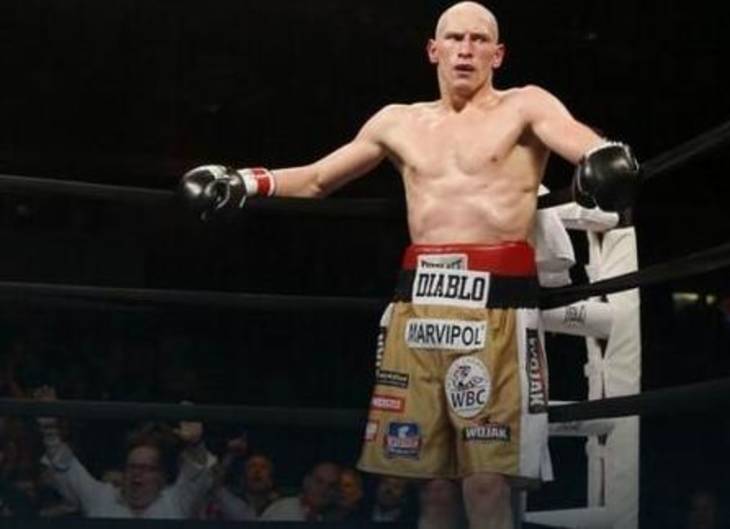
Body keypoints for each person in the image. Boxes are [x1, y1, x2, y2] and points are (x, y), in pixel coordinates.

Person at [180, 2, 638, 527]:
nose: (466, 49)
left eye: (478, 40)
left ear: (498, 54)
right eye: (455, 38)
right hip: (419, 309)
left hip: (497, 310)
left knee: (487, 483)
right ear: (433, 49)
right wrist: (243, 181)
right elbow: (318, 178)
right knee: (432, 488)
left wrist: (606, 158)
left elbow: (586, 144)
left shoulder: (526, 106)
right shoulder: (397, 121)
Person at [34, 386, 216, 519]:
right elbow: (65, 468)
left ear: (161, 476)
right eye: (133, 467)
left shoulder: (176, 500)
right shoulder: (101, 497)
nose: (137, 473)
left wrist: (195, 444)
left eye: (146, 468)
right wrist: (49, 429)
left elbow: (196, 473)